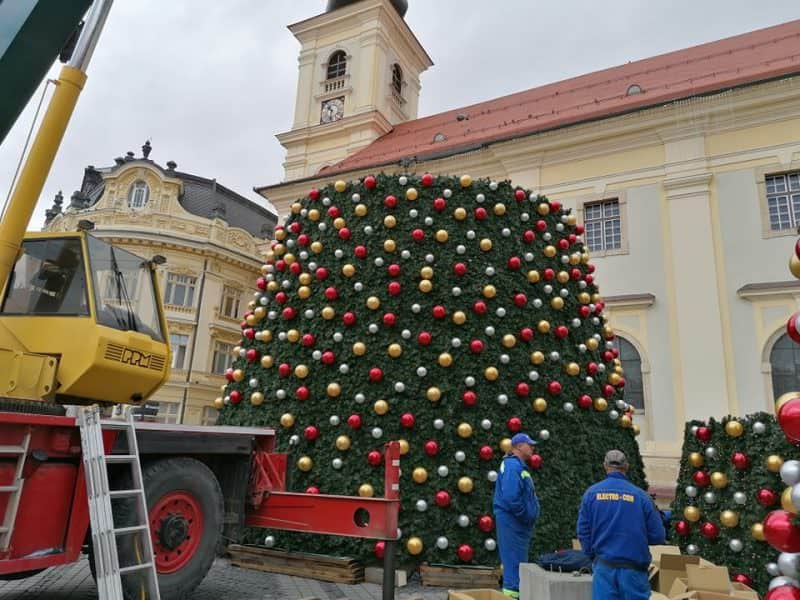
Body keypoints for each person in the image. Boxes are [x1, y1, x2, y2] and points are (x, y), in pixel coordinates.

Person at [577, 449, 666, 600]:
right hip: (634, 571)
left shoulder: (591, 494)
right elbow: (658, 536)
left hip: (604, 568)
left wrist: (592, 555)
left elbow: (583, 531)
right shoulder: (641, 497)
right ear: (627, 467)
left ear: (605, 466)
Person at [493, 432, 540, 599]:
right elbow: (512, 497)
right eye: (530, 444)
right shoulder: (513, 466)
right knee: (514, 564)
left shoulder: (516, 466)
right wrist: (525, 516)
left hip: (516, 523)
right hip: (514, 522)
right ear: (519, 446)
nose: (533, 447)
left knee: (516, 563)